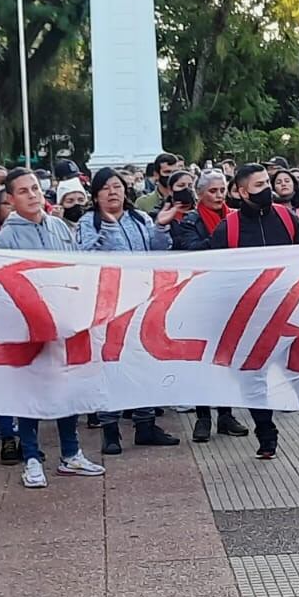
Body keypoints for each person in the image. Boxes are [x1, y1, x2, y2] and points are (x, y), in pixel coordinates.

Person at [208, 163, 299, 461]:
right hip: (249, 322)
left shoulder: (286, 216)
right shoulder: (227, 229)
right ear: (241, 192)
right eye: (258, 186)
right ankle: (266, 438)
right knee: (253, 380)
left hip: (291, 315)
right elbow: (213, 274)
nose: (266, 189)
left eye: (266, 182)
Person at [0, 168, 108, 487]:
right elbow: (6, 284)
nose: (32, 195)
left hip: (62, 322)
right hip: (27, 327)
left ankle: (71, 454)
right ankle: (31, 457)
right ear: (11, 199)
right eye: (24, 191)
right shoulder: (7, 237)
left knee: (65, 387)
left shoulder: (59, 227)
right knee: (30, 391)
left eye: (36, 188)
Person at [76, 167, 182, 453]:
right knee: (110, 365)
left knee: (143, 362)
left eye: (118, 186)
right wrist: (108, 229)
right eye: (106, 188)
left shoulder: (139, 218)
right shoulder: (89, 222)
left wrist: (160, 227)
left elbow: (158, 251)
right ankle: (110, 430)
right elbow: (84, 257)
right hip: (107, 305)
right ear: (96, 195)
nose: (113, 192)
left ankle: (145, 423)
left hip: (142, 300)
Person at [169, 169, 252, 442]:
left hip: (229, 295)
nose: (218, 196)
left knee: (226, 356)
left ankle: (226, 415)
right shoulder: (190, 220)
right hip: (199, 296)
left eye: (221, 190)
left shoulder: (236, 216)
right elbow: (189, 251)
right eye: (212, 191)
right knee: (201, 358)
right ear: (200, 194)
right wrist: (221, 239)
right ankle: (203, 417)